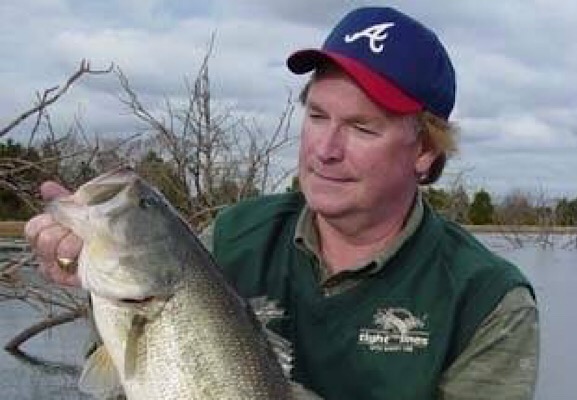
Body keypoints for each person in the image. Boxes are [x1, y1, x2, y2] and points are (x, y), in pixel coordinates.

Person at [24, 6, 538, 400]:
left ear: (424, 150)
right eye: (317, 116)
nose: (325, 149)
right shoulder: (233, 237)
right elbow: (128, 375)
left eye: (362, 128)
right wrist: (90, 276)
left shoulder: (486, 300)